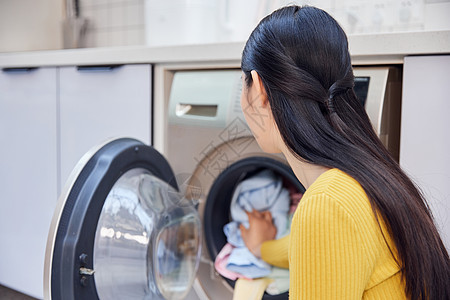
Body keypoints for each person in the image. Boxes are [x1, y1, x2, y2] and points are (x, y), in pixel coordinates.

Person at [238, 5, 450, 300]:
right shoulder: (370, 176)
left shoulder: (326, 203)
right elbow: (330, 243)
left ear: (259, 89)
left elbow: (325, 226)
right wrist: (264, 248)